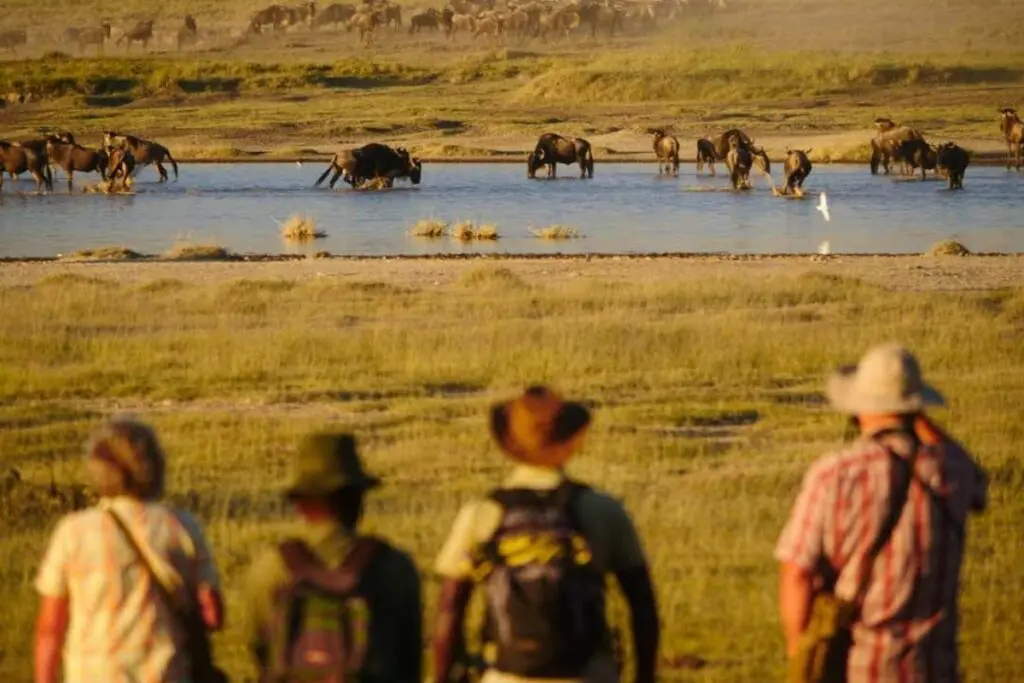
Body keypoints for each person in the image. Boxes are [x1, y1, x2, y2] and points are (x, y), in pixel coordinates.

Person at [776, 343, 988, 683]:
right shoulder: (952, 470)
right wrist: (918, 419)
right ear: (916, 408)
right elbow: (978, 482)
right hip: (935, 669)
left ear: (859, 405)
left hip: (860, 667)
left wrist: (800, 653)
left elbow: (797, 574)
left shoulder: (835, 474)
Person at [432, 385, 660, 683]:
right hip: (589, 673)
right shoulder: (602, 510)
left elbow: (450, 607)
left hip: (507, 675)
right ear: (569, 441)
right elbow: (642, 604)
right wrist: (644, 677)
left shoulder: (482, 515)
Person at [34, 416, 224, 683]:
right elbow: (213, 616)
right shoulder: (180, 526)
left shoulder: (72, 532)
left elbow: (50, 629)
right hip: (165, 673)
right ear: (156, 466)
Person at [243, 432, 422, 683]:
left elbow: (261, 652)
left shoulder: (269, 570)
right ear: (357, 498)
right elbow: (409, 657)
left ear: (299, 502)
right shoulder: (395, 567)